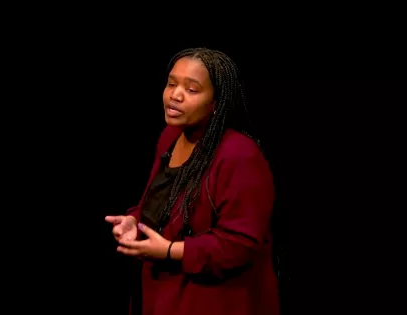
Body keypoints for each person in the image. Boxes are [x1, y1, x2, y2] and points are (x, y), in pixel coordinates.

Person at [105, 47, 279, 315]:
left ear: (216, 102)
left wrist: (171, 251)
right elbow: (163, 202)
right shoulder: (170, 137)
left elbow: (241, 245)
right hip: (159, 293)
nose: (175, 95)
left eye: (192, 89)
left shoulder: (239, 155)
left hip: (210, 302)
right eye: (172, 84)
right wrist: (135, 222)